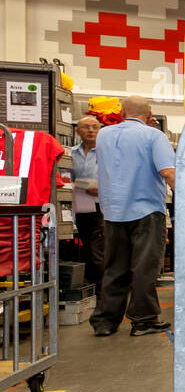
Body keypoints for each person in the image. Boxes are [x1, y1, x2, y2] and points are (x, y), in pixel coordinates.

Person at [89, 96, 176, 337]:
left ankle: (105, 321)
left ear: (123, 111)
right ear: (149, 114)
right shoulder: (154, 136)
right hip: (146, 211)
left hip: (112, 211)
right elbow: (168, 172)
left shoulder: (104, 135)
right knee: (144, 267)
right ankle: (143, 320)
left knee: (115, 267)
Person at [69, 117, 105, 290]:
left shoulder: (106, 152)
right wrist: (82, 185)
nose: (91, 130)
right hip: (81, 206)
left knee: (97, 248)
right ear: (77, 131)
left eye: (95, 127)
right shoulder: (71, 153)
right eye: (86, 127)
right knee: (85, 247)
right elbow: (69, 180)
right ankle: (93, 285)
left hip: (102, 206)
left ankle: (103, 289)